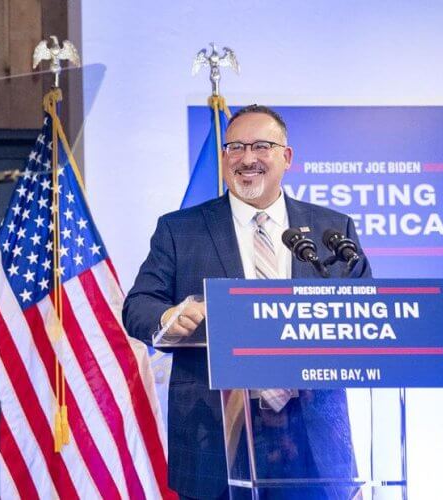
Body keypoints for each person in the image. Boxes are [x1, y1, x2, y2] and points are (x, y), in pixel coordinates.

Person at [123, 105, 371, 500]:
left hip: (312, 434)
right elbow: (138, 306)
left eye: (261, 146)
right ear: (224, 158)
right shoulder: (180, 229)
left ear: (286, 157)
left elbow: (364, 315)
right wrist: (169, 315)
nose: (247, 158)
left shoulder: (331, 229)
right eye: (235, 147)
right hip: (216, 431)